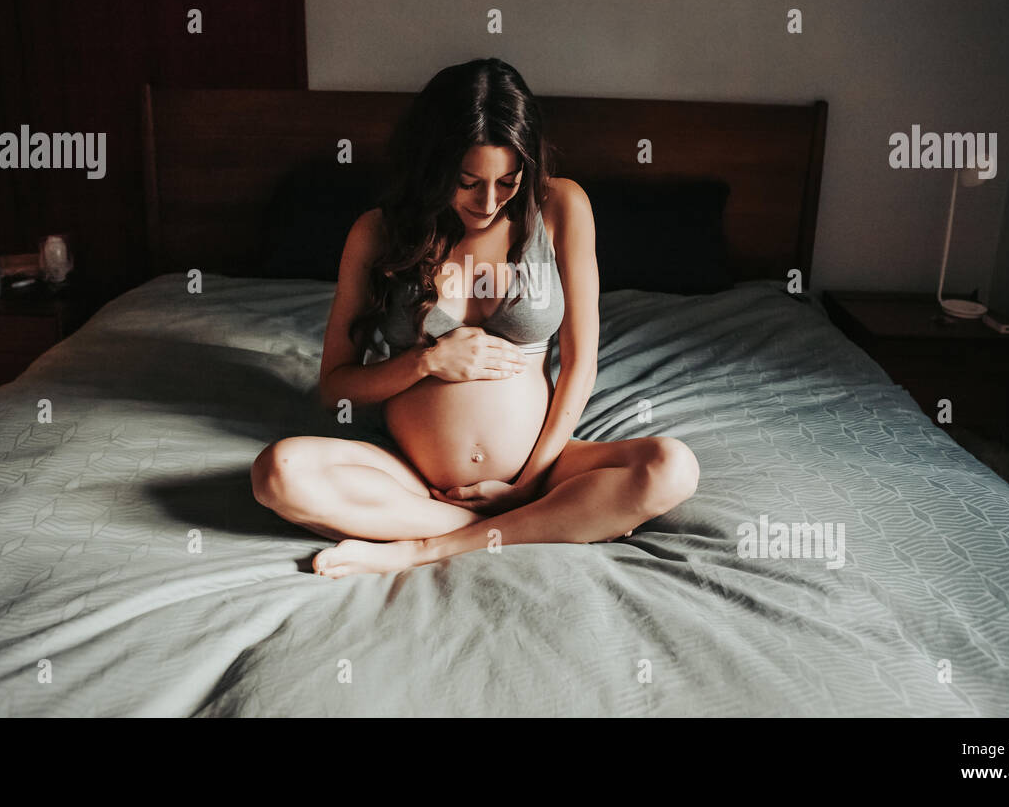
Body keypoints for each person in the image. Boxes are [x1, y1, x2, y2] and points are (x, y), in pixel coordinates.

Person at [252, 58, 699, 577]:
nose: (488, 202)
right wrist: (426, 362)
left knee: (672, 467)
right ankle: (532, 524)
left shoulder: (561, 206)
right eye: (467, 182)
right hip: (411, 477)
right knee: (277, 473)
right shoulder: (376, 234)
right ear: (432, 166)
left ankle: (423, 546)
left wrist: (526, 486)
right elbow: (335, 389)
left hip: (541, 470)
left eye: (508, 181)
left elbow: (580, 364)